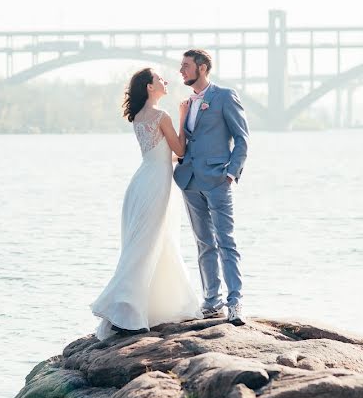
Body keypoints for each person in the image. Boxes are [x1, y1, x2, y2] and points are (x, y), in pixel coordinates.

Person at [91, 68, 203, 340]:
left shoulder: (139, 117)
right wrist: (184, 117)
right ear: (150, 87)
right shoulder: (161, 116)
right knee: (146, 246)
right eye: (160, 79)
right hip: (154, 185)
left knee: (151, 244)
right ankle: (122, 310)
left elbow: (163, 154)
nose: (165, 81)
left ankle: (142, 309)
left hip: (142, 182)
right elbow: (180, 150)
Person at [174, 49, 249, 325]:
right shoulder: (187, 103)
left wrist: (231, 174)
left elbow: (242, 139)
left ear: (202, 68)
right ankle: (211, 301)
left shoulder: (224, 96)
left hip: (218, 179)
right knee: (204, 243)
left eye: (186, 66)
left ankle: (235, 302)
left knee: (226, 242)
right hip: (189, 180)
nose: (181, 71)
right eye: (181, 66)